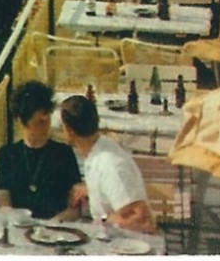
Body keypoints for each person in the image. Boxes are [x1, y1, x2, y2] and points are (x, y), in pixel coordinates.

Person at [57, 94, 157, 234]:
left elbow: (143, 220)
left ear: (69, 131)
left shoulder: (110, 165)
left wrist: (103, 221)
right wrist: (91, 190)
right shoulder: (98, 150)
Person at [0, 81, 82, 221]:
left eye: (47, 120)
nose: (46, 126)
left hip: (56, 229)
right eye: (39, 122)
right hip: (19, 227)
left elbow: (75, 208)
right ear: (21, 121)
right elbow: (3, 203)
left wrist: (54, 223)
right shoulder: (7, 155)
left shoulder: (64, 153)